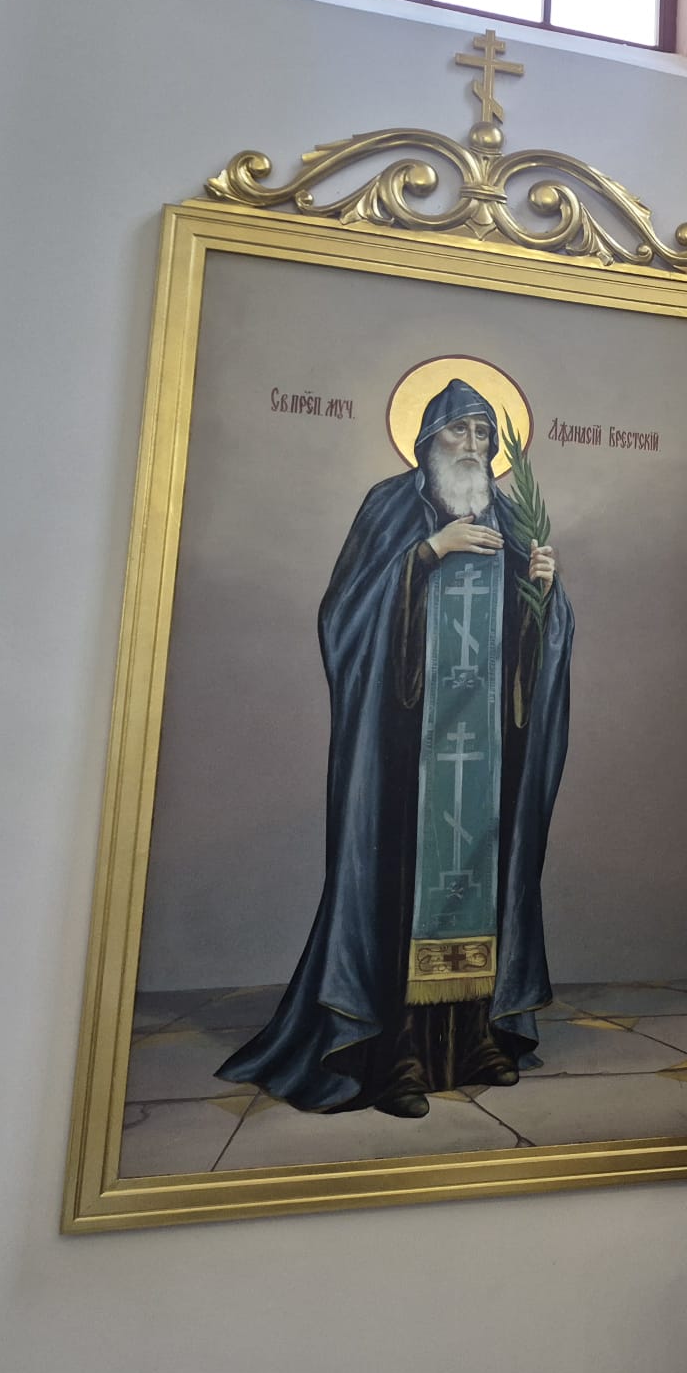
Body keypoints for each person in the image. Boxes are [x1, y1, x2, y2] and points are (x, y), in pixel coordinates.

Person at [220, 378, 576, 1118]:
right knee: (402, 892)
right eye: (458, 431)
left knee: (481, 885)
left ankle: (476, 1040)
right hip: (405, 752)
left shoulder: (508, 516)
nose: (473, 446)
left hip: (486, 753)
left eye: (484, 433)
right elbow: (344, 616)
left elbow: (535, 646)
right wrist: (426, 555)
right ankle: (397, 1058)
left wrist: (544, 593)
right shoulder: (390, 507)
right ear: (425, 439)